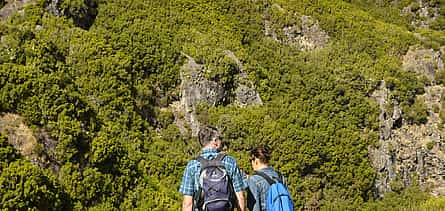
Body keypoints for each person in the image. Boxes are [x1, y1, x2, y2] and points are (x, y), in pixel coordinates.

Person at [179, 125, 247, 211]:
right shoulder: (230, 162)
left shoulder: (192, 165)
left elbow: (187, 203)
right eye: (220, 139)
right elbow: (240, 197)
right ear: (215, 141)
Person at [246, 146, 290, 211]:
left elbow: (255, 207)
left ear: (256, 160)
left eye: (251, 160)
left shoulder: (254, 180)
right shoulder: (280, 176)